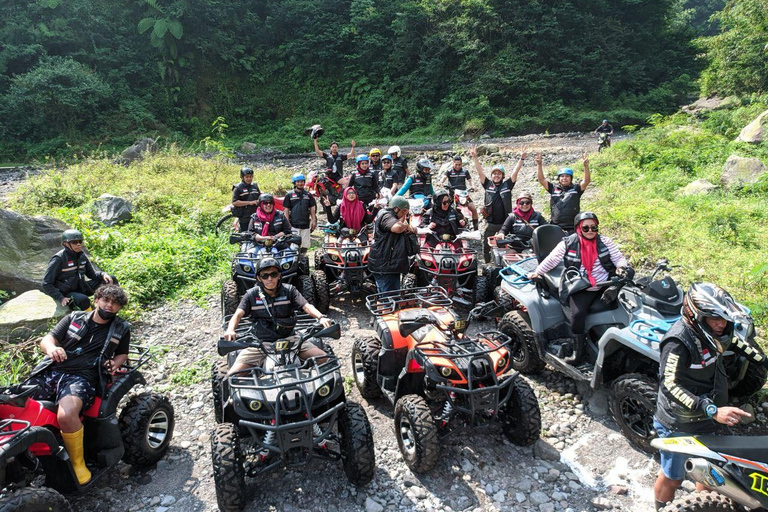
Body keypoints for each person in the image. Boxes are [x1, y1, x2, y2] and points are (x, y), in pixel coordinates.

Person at [652, 283, 768, 511]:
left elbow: (743, 347)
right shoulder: (678, 342)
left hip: (710, 416)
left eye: (724, 319)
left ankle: (703, 506)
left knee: (708, 474)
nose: (721, 324)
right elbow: (669, 386)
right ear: (696, 316)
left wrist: (763, 361)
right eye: (714, 318)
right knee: (673, 476)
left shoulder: (719, 332)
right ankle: (662, 508)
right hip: (680, 422)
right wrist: (712, 410)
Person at [23, 284, 131, 484]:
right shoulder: (73, 318)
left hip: (84, 377)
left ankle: (77, 462)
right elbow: (47, 339)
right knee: (14, 403)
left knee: (66, 414)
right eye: (106, 300)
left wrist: (114, 363)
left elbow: (122, 353)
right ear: (97, 300)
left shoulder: (121, 328)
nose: (109, 306)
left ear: (119, 308)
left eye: (115, 303)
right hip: (53, 370)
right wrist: (52, 349)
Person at [528, 212, 631, 362]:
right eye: (586, 228)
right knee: (577, 315)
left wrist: (622, 267)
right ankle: (578, 352)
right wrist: (537, 272)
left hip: (606, 282)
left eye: (593, 227)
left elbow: (618, 258)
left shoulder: (605, 242)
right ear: (578, 228)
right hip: (583, 285)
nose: (590, 231)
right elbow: (552, 259)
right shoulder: (568, 243)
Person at [224, 258, 332, 376]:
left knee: (324, 359)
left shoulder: (289, 290)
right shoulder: (251, 295)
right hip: (261, 343)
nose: (270, 279)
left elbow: (306, 306)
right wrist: (230, 329)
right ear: (259, 278)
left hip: (291, 340)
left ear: (279, 275)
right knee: (233, 375)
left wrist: (321, 317)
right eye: (265, 276)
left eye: (273, 274)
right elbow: (238, 314)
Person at [471, 145, 525, 263]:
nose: (496, 175)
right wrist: (475, 158)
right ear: (491, 176)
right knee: (486, 244)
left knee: (507, 245)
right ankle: (487, 262)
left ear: (503, 175)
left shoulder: (507, 185)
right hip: (490, 222)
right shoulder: (487, 184)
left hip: (505, 223)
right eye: (494, 174)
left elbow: (515, 172)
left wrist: (521, 159)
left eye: (499, 174)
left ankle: (504, 263)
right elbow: (480, 172)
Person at [42, 229, 118, 311]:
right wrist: (61, 298)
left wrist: (103, 274)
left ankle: (111, 308)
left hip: (82, 287)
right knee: (84, 300)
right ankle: (91, 318)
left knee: (111, 279)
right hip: (68, 293)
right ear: (65, 244)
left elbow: (91, 274)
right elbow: (46, 283)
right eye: (74, 242)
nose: (78, 244)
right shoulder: (58, 259)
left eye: (80, 241)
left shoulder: (82, 255)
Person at [368, 196, 417, 293]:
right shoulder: (386, 215)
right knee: (390, 298)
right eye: (403, 211)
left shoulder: (390, 215)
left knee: (387, 296)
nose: (404, 214)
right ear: (395, 208)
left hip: (388, 264)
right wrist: (406, 226)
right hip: (385, 265)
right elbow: (398, 228)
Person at [536, 152, 591, 234]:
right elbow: (541, 180)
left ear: (571, 178)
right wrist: (539, 165)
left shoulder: (576, 189)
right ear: (559, 178)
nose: (564, 178)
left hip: (573, 226)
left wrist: (586, 167)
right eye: (562, 176)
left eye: (567, 176)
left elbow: (586, 181)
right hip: (556, 226)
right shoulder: (553, 188)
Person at [282, 173, 317, 255]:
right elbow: (286, 210)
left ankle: (303, 259)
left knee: (305, 245)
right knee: (294, 245)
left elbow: (312, 208)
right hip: (294, 225)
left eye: (302, 181)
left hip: (305, 224)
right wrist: (287, 224)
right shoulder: (289, 195)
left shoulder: (308, 195)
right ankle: (295, 261)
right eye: (298, 182)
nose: (300, 183)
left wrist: (313, 220)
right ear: (294, 183)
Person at [441, 155, 479, 230]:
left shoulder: (465, 171)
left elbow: (470, 180)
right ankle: (444, 226)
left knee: (473, 209)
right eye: (456, 164)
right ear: (453, 164)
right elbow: (444, 177)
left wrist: (474, 186)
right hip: (452, 194)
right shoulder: (449, 171)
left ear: (462, 164)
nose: (458, 166)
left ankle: (476, 228)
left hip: (463, 194)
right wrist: (441, 182)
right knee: (445, 208)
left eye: (459, 164)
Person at [231, 166, 262, 232]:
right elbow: (234, 202)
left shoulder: (255, 186)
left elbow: (259, 197)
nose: (249, 178)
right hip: (244, 216)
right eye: (247, 177)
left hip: (256, 215)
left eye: (251, 177)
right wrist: (249, 202)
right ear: (242, 177)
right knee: (245, 235)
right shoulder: (238, 187)